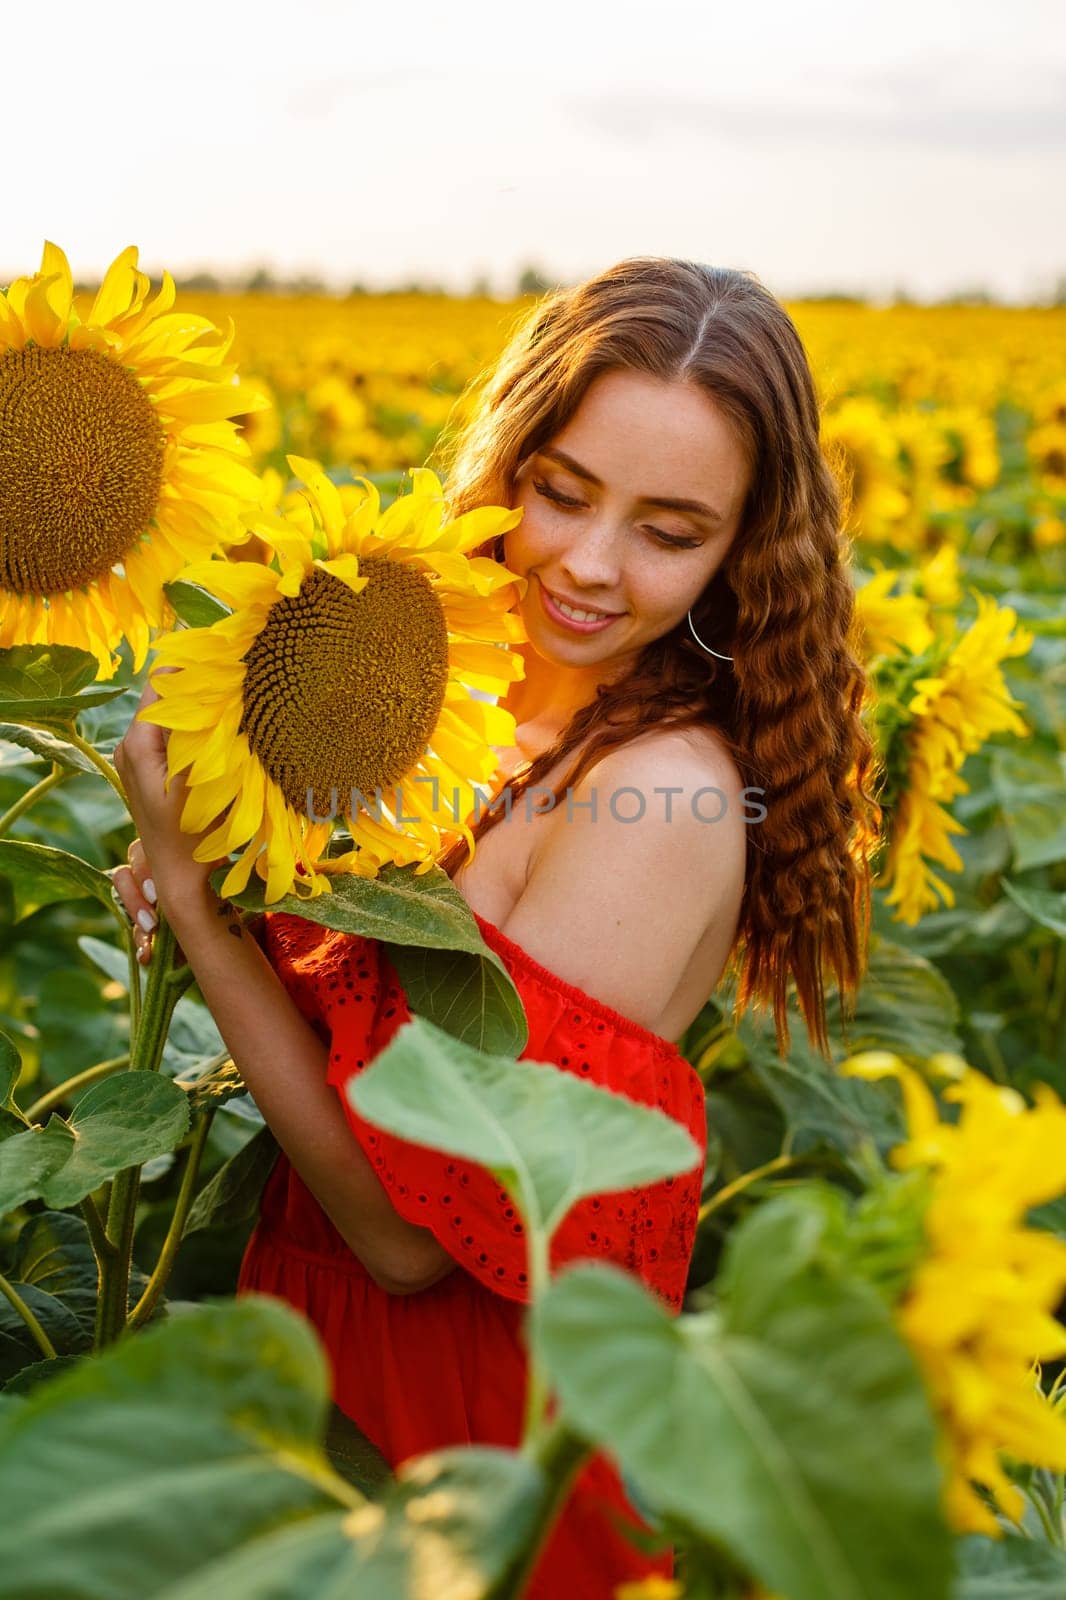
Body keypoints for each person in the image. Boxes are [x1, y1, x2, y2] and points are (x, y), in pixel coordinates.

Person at [111, 257, 882, 1597]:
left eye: (669, 529)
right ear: (508, 458)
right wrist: (230, 875)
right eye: (562, 492)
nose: (586, 565)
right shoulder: (461, 703)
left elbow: (412, 1241)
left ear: (743, 547)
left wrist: (197, 903)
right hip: (312, 1372)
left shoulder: (658, 792)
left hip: (456, 1441)